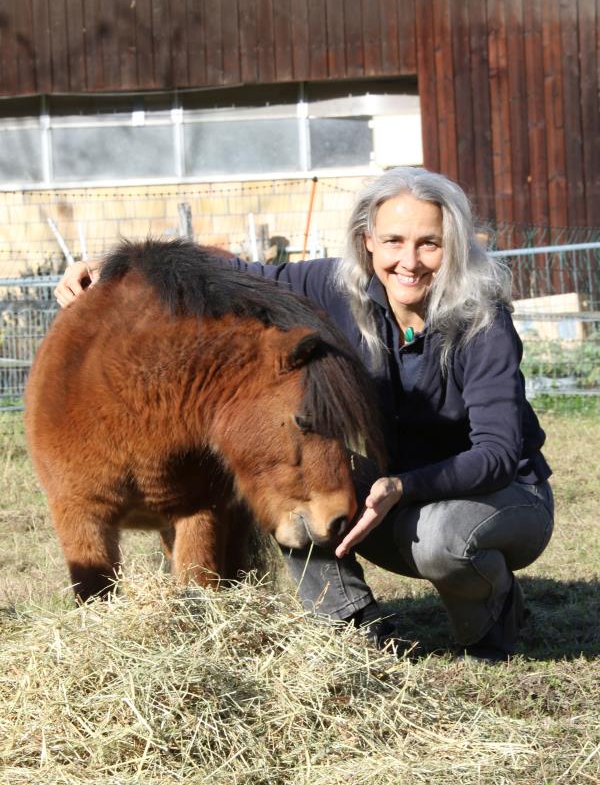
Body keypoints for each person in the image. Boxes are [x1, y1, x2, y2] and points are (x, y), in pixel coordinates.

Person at [55, 167, 554, 662]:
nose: (410, 261)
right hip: (393, 486)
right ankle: (353, 627)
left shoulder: (483, 324)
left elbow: (498, 453)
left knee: (445, 541)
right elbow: (238, 272)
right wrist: (120, 266)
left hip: (499, 495)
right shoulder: (335, 289)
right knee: (294, 489)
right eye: (394, 241)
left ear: (455, 247)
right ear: (368, 243)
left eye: (430, 243)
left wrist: (401, 487)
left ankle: (493, 617)